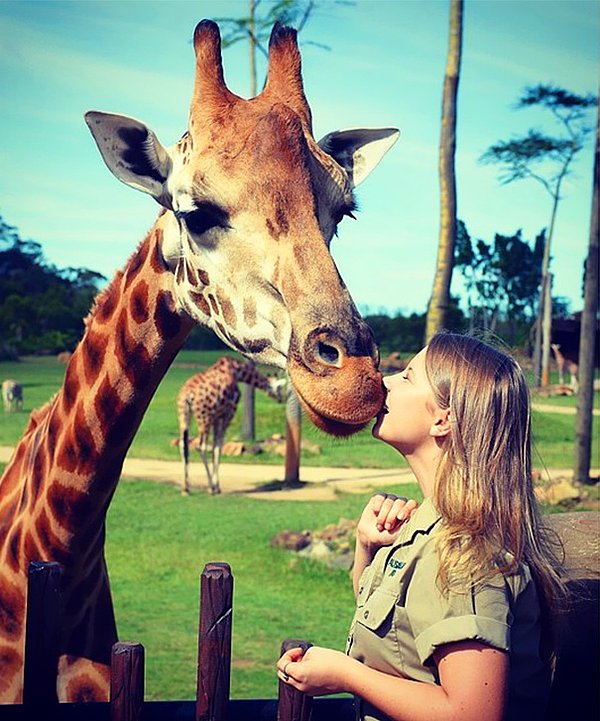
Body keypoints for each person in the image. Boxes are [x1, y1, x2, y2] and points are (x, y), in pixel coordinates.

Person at [277, 332, 565, 721]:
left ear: (444, 420)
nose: (385, 381)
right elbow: (395, 623)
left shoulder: (467, 554)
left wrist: (347, 675)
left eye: (408, 377)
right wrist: (368, 548)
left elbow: (472, 714)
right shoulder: (433, 524)